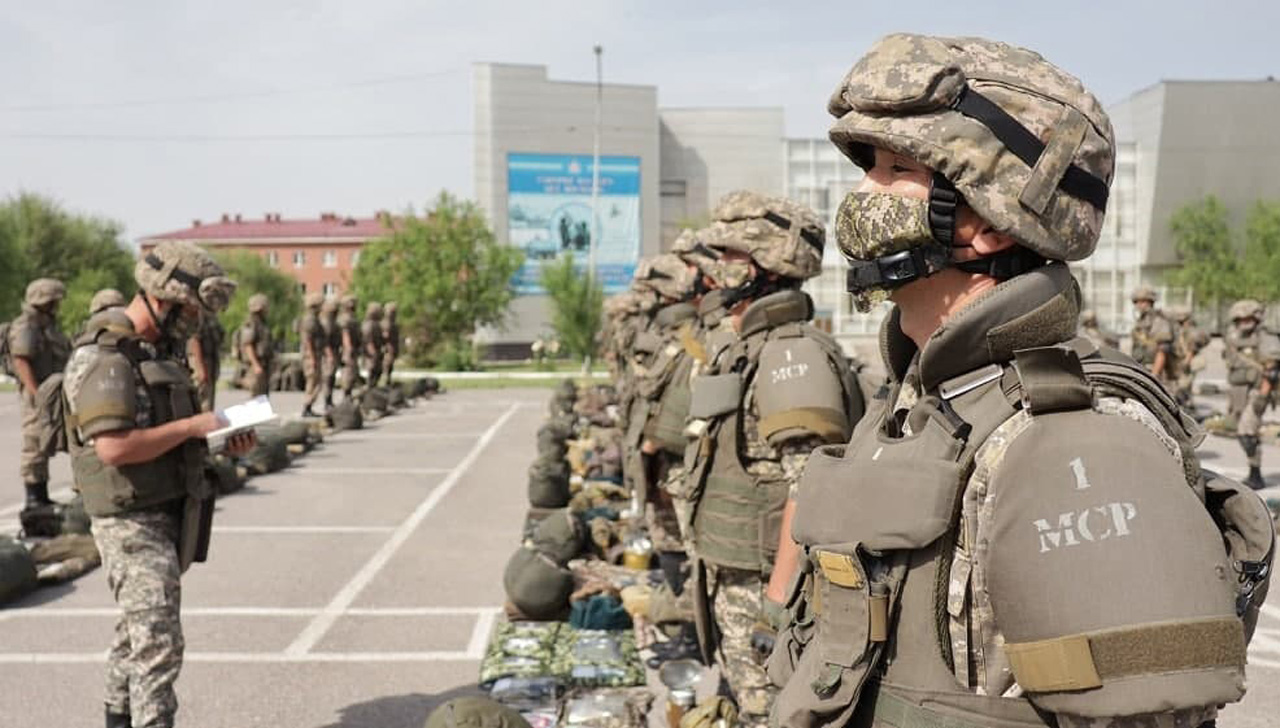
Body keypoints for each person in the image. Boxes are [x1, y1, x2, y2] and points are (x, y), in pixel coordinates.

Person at [771, 33, 1267, 728]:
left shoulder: (1074, 440)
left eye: (894, 169)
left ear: (987, 224)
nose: (862, 191)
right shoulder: (924, 397)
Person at [680, 191, 862, 728]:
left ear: (764, 268)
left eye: (731, 258)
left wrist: (777, 605)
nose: (719, 271)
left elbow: (812, 489)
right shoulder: (753, 347)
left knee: (769, 713)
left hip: (764, 593)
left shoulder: (792, 354)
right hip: (737, 581)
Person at [62, 241, 255, 728]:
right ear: (162, 298)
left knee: (136, 634)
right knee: (159, 645)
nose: (195, 323)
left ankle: (117, 719)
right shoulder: (104, 357)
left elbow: (164, 436)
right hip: (129, 519)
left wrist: (217, 441)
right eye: (191, 311)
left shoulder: (158, 352)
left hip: (165, 508)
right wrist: (193, 428)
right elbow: (115, 448)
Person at [8, 278, 70, 507]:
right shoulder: (27, 325)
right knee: (34, 443)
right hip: (37, 396)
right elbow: (21, 360)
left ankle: (41, 497)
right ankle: (34, 498)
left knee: (45, 442)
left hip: (48, 394)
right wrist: (36, 394)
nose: (57, 305)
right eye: (54, 300)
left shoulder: (45, 325)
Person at [1224, 299, 1278, 489]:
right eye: (1240, 319)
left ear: (1256, 318)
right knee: (1243, 431)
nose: (1244, 322)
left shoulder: (1266, 338)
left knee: (1246, 433)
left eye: (1248, 318)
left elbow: (1271, 371)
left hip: (1257, 391)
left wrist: (1263, 396)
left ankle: (1256, 475)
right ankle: (1254, 472)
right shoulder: (1234, 336)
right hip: (1238, 391)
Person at [1129, 285, 1176, 388]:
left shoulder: (1159, 322)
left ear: (1150, 302)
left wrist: (1154, 376)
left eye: (1142, 301)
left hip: (1156, 373)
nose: (1138, 305)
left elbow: (1162, 351)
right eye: (1136, 302)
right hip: (1142, 370)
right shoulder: (1141, 323)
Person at [1169, 305, 1209, 408]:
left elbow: (1192, 349)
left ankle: (1185, 407)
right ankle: (1186, 404)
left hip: (1187, 362)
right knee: (1182, 386)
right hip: (1179, 361)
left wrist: (1186, 362)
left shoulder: (1191, 331)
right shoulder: (1180, 329)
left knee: (1183, 387)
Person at [186, 312, 224, 413]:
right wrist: (200, 367)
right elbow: (194, 340)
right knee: (202, 401)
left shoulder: (210, 315)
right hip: (200, 361)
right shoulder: (198, 314)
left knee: (208, 402)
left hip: (209, 362)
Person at [237, 293, 273, 396]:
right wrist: (255, 365)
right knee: (256, 395)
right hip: (255, 365)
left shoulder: (262, 323)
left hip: (263, 364)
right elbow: (248, 345)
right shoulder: (251, 323)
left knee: (263, 396)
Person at [299, 292, 326, 417]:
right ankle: (307, 407)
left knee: (317, 382)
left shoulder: (314, 319)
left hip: (315, 354)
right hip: (311, 356)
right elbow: (308, 340)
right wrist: (312, 357)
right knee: (313, 382)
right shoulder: (310, 320)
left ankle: (309, 406)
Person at [337, 294, 362, 399]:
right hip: (347, 350)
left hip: (353, 349)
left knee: (353, 372)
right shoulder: (345, 319)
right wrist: (348, 348)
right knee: (348, 372)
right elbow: (345, 334)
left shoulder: (351, 317)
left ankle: (348, 394)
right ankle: (346, 394)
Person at [319, 296, 340, 410]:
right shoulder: (327, 323)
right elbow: (326, 341)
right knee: (328, 377)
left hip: (333, 352)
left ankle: (329, 400)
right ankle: (327, 401)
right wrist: (330, 355)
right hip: (328, 354)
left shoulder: (332, 322)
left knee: (331, 378)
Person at [361, 302, 385, 390]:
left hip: (377, 351)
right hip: (371, 353)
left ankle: (372, 388)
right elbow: (368, 339)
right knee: (371, 371)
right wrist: (372, 351)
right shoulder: (369, 324)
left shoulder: (376, 324)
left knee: (378, 371)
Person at [382, 300, 400, 386]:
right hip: (388, 348)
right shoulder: (387, 323)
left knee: (390, 366)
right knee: (387, 365)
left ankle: (387, 380)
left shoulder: (393, 323)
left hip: (392, 347)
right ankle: (385, 381)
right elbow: (385, 337)